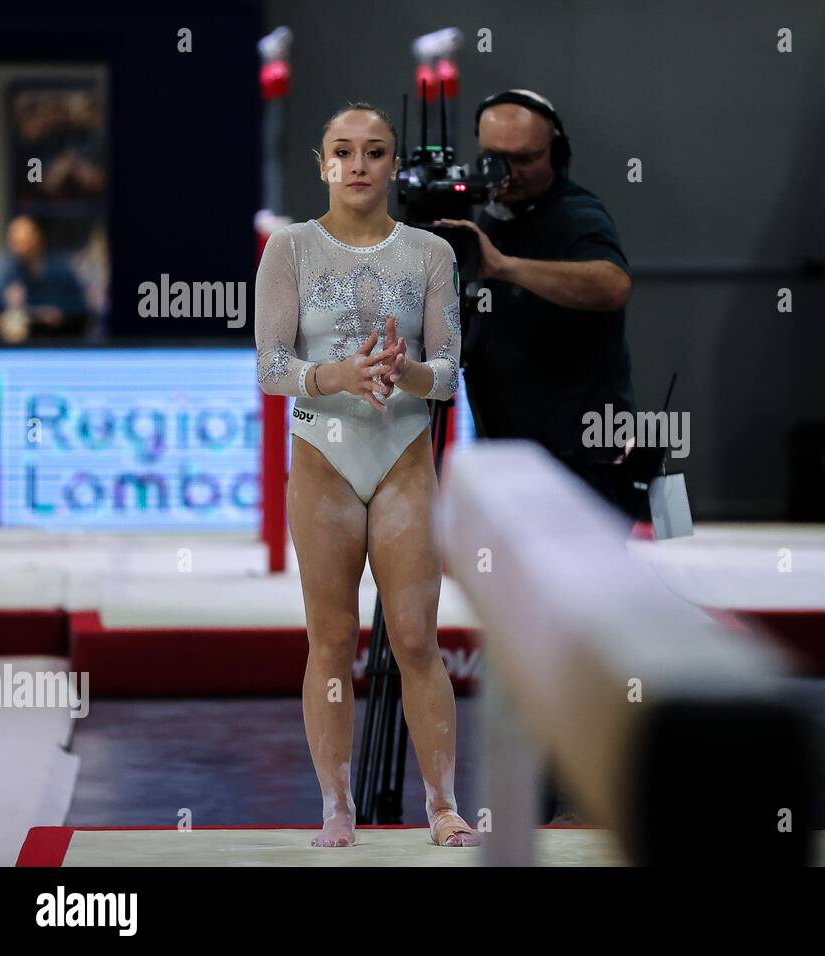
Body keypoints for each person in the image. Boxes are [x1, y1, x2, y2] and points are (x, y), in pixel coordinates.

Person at [254, 101, 477, 848]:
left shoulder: (428, 254)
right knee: (331, 637)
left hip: (402, 454)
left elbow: (448, 374)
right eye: (342, 151)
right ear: (322, 164)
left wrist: (405, 370)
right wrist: (339, 375)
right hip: (324, 454)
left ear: (390, 165)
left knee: (416, 637)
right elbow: (271, 365)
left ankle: (443, 804)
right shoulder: (289, 248)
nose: (357, 165)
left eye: (374, 152)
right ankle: (337, 806)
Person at [435, 89, 639, 516]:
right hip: (511, 449)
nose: (509, 174)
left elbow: (613, 285)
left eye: (525, 159)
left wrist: (506, 267)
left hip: (581, 456)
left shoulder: (577, 214)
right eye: (495, 159)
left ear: (557, 154)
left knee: (585, 580)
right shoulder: (493, 211)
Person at [0, 215, 89, 340]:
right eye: (14, 243)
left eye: (23, 242)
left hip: (61, 344)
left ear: (37, 239)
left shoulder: (60, 270)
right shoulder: (10, 272)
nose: (18, 250)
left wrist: (59, 315)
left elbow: (81, 312)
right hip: (23, 348)